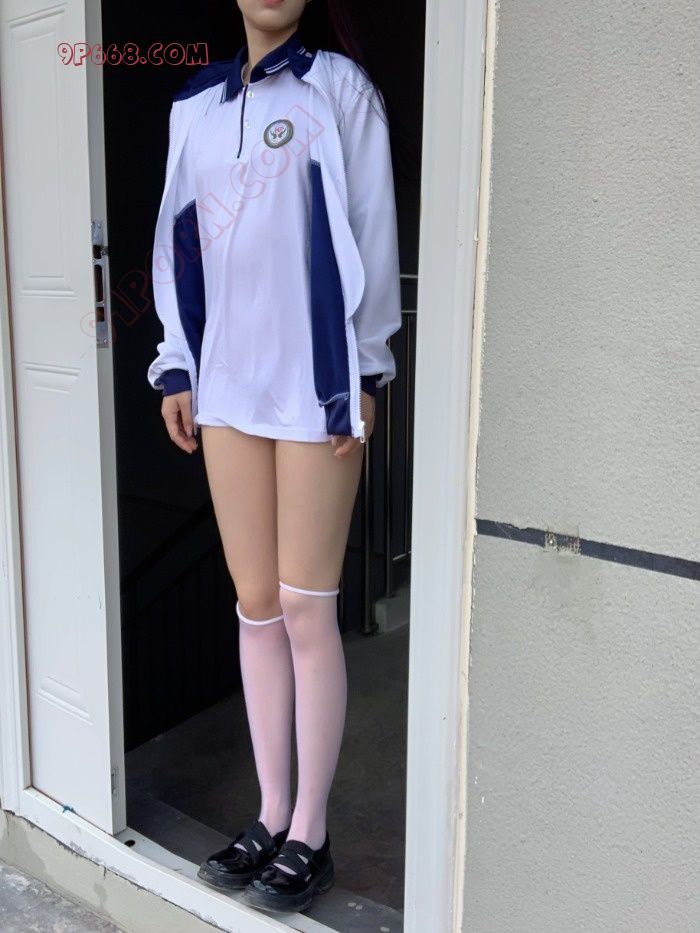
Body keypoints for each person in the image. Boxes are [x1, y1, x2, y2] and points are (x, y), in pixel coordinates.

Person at [147, 0, 402, 914]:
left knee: (304, 605)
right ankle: (269, 812)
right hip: (226, 388)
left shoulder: (340, 90)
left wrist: (364, 370)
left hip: (314, 384)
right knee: (254, 603)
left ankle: (312, 832)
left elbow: (372, 227)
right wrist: (177, 362)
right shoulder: (194, 107)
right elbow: (175, 244)